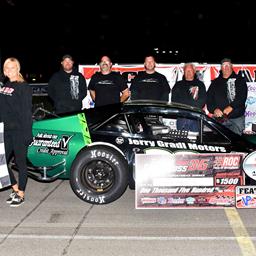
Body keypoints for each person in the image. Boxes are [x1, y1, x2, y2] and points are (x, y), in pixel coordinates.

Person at [0, 57, 33, 207]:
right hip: (5, 131)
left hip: (19, 131)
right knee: (2, 163)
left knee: (20, 163)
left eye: (12, 67)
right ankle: (14, 188)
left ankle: (21, 193)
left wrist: (27, 134)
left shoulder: (23, 87)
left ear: (17, 69)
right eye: (7, 67)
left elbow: (26, 112)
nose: (9, 70)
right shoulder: (5, 85)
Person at [206, 58, 248, 135]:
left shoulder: (240, 80)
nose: (226, 67)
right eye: (224, 65)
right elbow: (209, 99)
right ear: (221, 68)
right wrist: (214, 109)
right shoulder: (215, 82)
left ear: (231, 66)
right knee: (220, 143)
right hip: (219, 120)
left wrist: (231, 107)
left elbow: (242, 97)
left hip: (236, 118)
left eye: (228, 65)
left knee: (236, 143)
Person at [171, 62, 207, 132]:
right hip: (182, 117)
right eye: (186, 71)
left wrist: (189, 107)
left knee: (197, 140)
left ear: (194, 71)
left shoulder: (200, 85)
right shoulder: (178, 85)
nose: (188, 72)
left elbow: (203, 100)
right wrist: (187, 108)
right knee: (182, 141)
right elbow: (174, 101)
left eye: (190, 70)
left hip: (196, 117)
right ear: (183, 72)